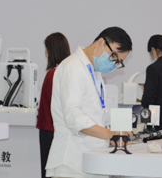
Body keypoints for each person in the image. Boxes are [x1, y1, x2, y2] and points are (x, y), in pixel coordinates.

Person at [46, 27, 132, 178]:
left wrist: (113, 134)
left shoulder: (93, 72)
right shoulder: (73, 67)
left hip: (89, 162)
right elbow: (73, 116)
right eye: (113, 56)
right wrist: (109, 134)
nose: (114, 63)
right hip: (72, 164)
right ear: (100, 43)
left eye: (118, 62)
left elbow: (94, 115)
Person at [37, 33, 71, 178]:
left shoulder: (53, 74)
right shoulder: (68, 72)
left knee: (48, 169)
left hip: (49, 129)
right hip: (61, 130)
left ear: (51, 50)